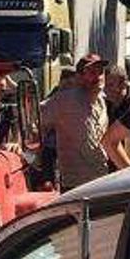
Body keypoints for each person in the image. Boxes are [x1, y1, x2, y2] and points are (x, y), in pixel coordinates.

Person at [39, 53, 109, 191]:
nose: (98, 76)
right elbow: (35, 120)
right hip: (75, 185)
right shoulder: (65, 100)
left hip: (101, 179)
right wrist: (24, 146)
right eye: (92, 72)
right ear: (80, 77)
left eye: (101, 71)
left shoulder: (101, 100)